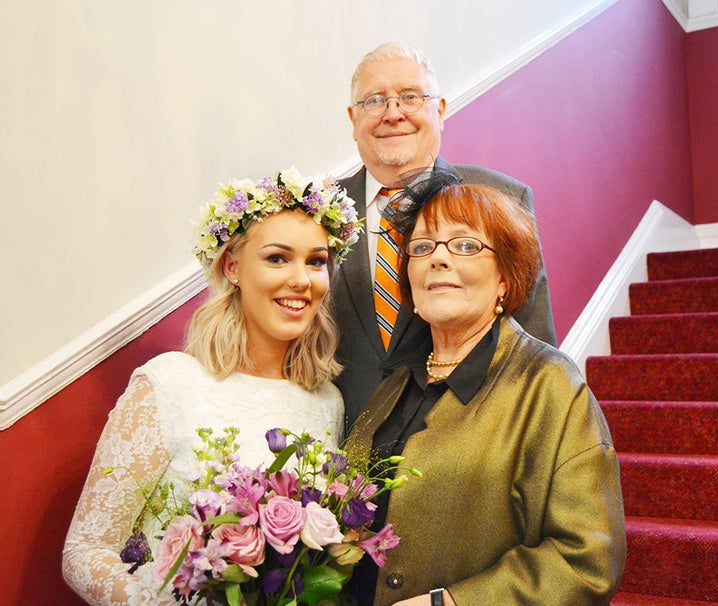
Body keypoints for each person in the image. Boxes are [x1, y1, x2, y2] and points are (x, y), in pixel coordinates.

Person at [62, 168, 363, 605]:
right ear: (233, 266)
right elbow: (85, 552)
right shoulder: (168, 384)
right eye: (278, 258)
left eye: (316, 261)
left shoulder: (327, 402)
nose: (302, 279)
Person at [346, 174, 626, 605]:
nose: (437, 259)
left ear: (504, 279)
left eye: (464, 244)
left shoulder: (549, 385)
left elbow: (587, 559)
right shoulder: (394, 384)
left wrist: (453, 603)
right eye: (422, 247)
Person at [334, 42, 557, 430]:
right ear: (354, 119)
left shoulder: (502, 197)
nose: (393, 113)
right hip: (340, 450)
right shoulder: (315, 210)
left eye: (409, 97)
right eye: (375, 101)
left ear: (439, 110)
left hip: (467, 441)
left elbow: (534, 343)